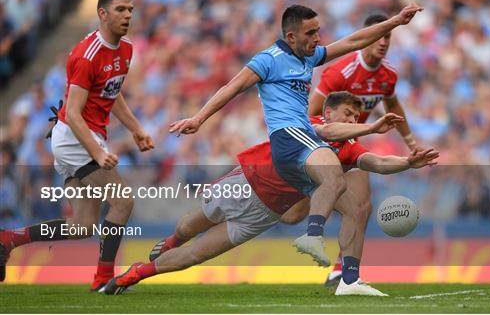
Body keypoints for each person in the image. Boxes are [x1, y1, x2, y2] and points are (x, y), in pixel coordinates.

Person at [102, 92, 438, 296]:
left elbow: (377, 162)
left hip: (266, 213)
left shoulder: (348, 148)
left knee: (198, 255)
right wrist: (368, 126)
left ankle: (134, 273)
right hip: (248, 181)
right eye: (348, 114)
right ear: (331, 111)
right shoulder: (311, 122)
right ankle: (171, 240)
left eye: (357, 116)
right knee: (192, 225)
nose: (353, 120)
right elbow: (327, 130)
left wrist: (408, 162)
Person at [169, 3, 423, 266]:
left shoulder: (310, 58)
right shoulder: (268, 60)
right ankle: (314, 237)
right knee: (334, 178)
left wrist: (396, 21)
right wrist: (199, 118)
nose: (317, 38)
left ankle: (344, 271)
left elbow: (353, 41)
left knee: (308, 211)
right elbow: (231, 87)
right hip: (290, 136)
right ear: (291, 37)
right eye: (311, 33)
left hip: (303, 137)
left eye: (318, 31)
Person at [0, 0, 154, 290]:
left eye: (130, 10)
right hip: (74, 138)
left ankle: (10, 239)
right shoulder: (86, 55)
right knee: (123, 201)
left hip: (87, 136)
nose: (127, 15)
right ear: (102, 13)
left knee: (81, 227)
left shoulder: (126, 49)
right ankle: (103, 279)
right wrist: (97, 152)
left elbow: (112, 92)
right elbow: (72, 113)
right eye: (121, 9)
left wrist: (136, 128)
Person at [306, 13, 424, 286]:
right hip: (321, 146)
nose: (383, 42)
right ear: (365, 38)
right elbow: (311, 114)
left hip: (350, 146)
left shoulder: (388, 75)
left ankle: (342, 270)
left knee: (362, 207)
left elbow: (393, 106)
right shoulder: (340, 72)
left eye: (388, 37)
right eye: (378, 36)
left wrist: (411, 142)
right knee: (292, 214)